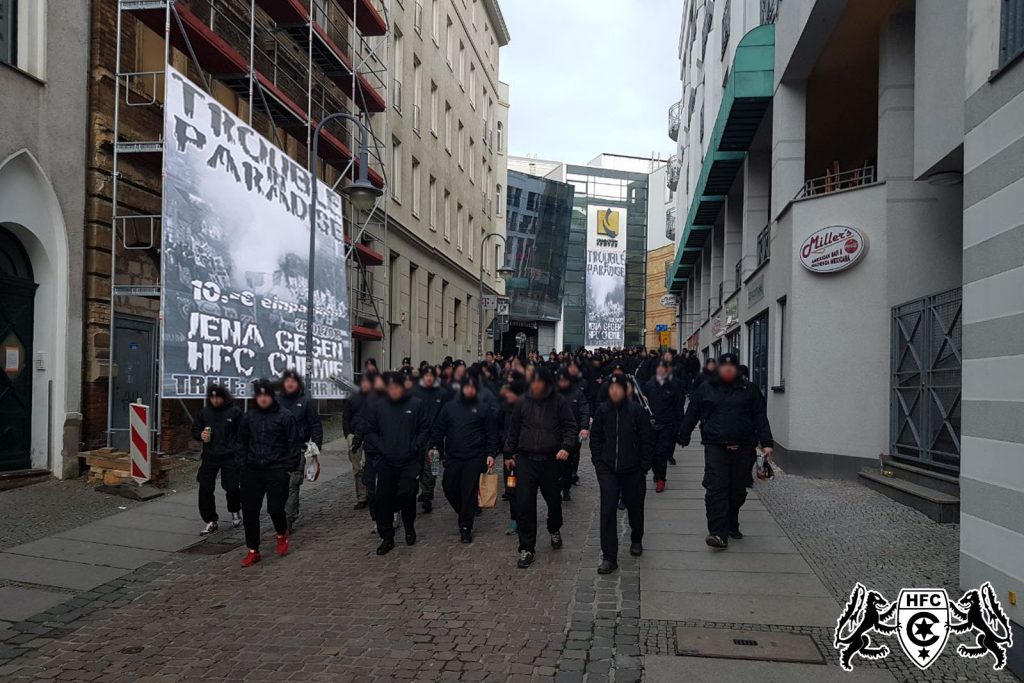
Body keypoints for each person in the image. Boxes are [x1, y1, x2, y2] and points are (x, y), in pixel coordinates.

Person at [679, 353, 774, 549]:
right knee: (716, 488)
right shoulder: (706, 388)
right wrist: (683, 434)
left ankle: (732, 521)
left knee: (737, 490)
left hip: (744, 446)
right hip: (716, 446)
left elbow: (760, 417)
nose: (728, 370)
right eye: (725, 367)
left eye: (732, 367)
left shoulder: (749, 389)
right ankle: (717, 532)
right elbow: (693, 412)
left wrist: (767, 443)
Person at [504, 367, 578, 569]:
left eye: (539, 381)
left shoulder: (558, 402)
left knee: (554, 502)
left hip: (550, 460)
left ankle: (554, 528)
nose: (535, 385)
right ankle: (527, 548)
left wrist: (565, 447)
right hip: (526, 460)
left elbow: (570, 427)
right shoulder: (522, 402)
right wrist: (509, 453)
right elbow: (514, 429)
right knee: (525, 504)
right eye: (533, 381)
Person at [589, 375, 653, 574]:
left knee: (635, 507)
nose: (615, 391)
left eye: (619, 388)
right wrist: (599, 465)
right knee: (607, 511)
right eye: (612, 388)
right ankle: (609, 556)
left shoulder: (636, 412)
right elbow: (596, 439)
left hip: (633, 470)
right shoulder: (602, 411)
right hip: (608, 470)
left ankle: (636, 538)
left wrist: (643, 467)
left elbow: (647, 441)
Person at [362, 372, 431, 555]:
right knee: (383, 499)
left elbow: (424, 428)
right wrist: (381, 448)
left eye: (396, 387)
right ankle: (387, 536)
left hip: (409, 460)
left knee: (407, 495)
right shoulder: (379, 406)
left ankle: (409, 525)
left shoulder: (416, 404)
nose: (393, 391)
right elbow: (371, 430)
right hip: (386, 460)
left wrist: (415, 447)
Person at [237, 379, 299, 567]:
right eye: (260, 395)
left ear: (272, 396)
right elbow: (241, 442)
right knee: (250, 511)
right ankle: (253, 549)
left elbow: (293, 443)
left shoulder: (285, 416)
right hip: (252, 470)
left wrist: (289, 466)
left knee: (275, 508)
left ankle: (281, 533)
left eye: (266, 395)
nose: (263, 399)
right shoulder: (249, 417)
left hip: (276, 469)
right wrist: (241, 466)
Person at [430, 376, 498, 543]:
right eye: (466, 387)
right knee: (449, 487)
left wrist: (490, 453)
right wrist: (434, 447)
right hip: (453, 457)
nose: (469, 390)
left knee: (468, 492)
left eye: (472, 387)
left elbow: (491, 433)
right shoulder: (450, 408)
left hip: (475, 457)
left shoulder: (483, 408)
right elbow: (439, 429)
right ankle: (464, 512)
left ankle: (465, 526)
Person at [192, 384, 243, 535]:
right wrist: (200, 435)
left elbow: (242, 433)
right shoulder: (204, 413)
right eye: (212, 397)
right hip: (210, 455)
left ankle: (235, 509)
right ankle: (210, 519)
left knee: (231, 486)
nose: (215, 400)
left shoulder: (234, 412)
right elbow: (195, 429)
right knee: (205, 486)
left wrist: (240, 453)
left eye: (218, 397)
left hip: (230, 455)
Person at [277, 370, 323, 533]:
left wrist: (315, 447)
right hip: (277, 450)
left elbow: (315, 425)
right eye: (287, 381)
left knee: (293, 484)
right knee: (277, 485)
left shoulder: (305, 402)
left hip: (298, 449)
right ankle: (278, 514)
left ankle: (288, 519)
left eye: (293, 381)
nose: (290, 384)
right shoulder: (276, 400)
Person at [412, 366, 452, 513]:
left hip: (435, 438)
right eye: (426, 376)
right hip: (418, 437)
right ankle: (421, 491)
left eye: (431, 376)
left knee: (432, 468)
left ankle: (428, 494)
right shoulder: (415, 392)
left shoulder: (442, 393)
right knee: (419, 467)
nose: (429, 378)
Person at [644, 361, 686, 492]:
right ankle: (657, 474)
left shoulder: (674, 387)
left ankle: (661, 478)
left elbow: (679, 408)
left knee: (661, 453)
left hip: (667, 424)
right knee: (650, 453)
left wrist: (681, 428)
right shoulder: (648, 385)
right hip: (650, 424)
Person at [555, 368, 590, 501]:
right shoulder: (553, 394)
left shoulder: (577, 393)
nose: (563, 383)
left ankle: (566, 487)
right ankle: (556, 487)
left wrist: (584, 427)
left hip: (572, 434)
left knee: (569, 463)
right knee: (555, 464)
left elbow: (584, 409)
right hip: (555, 434)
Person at [342, 375, 373, 510]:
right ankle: (362, 496)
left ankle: (371, 494)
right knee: (358, 469)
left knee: (370, 467)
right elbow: (346, 418)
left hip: (371, 436)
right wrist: (348, 435)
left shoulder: (376, 398)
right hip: (355, 436)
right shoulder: (352, 398)